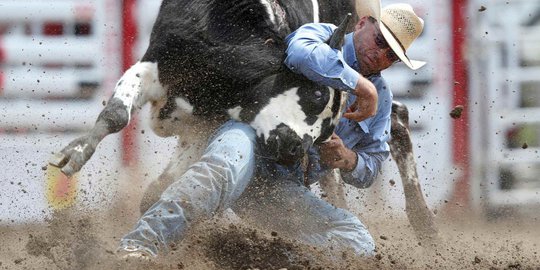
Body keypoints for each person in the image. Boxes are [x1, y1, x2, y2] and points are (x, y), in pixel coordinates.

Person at [118, 1, 425, 258]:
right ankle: (138, 247)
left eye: (391, 55)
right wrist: (362, 88)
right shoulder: (321, 36)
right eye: (380, 41)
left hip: (281, 187)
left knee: (358, 241)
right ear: (362, 24)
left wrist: (347, 158)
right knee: (222, 167)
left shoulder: (382, 100)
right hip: (250, 138)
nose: (380, 54)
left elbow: (371, 165)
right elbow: (300, 54)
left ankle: (254, 255)